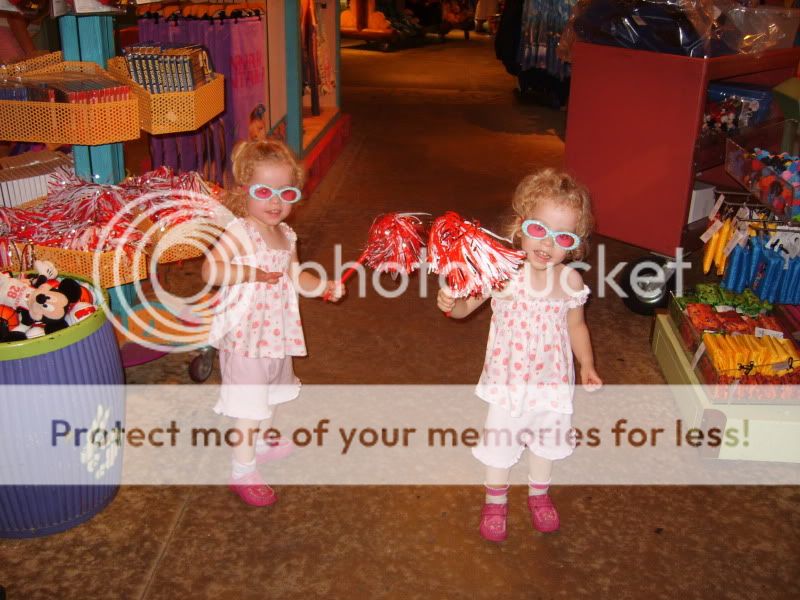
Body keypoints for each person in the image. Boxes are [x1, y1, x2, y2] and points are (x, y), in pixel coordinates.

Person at [437, 168, 602, 541]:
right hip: (508, 384)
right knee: (501, 443)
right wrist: (451, 304)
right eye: (539, 229)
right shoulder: (503, 273)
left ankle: (538, 494)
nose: (547, 243)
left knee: (545, 442)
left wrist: (587, 364)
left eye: (562, 236)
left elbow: (576, 326)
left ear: (574, 244)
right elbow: (465, 309)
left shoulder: (570, 281)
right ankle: (495, 501)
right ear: (521, 224)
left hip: (552, 384)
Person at [202, 139, 345, 506]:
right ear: (243, 191)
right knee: (249, 409)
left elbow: (296, 277)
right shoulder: (241, 232)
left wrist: (324, 286)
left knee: (271, 394)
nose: (275, 202)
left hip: (277, 335)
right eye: (264, 191)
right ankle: (242, 471)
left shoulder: (286, 235)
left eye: (286, 192)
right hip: (245, 340)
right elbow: (211, 270)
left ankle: (262, 445)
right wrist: (250, 272)